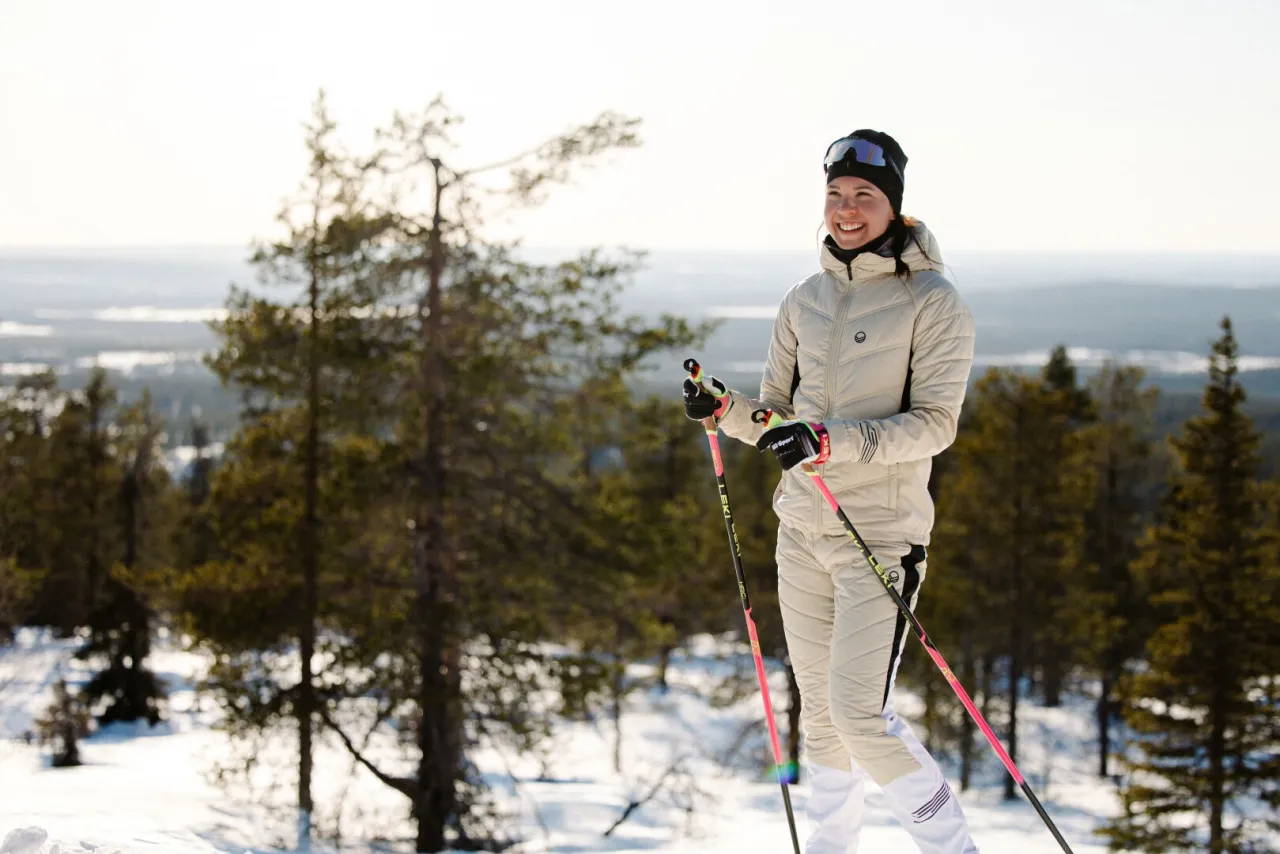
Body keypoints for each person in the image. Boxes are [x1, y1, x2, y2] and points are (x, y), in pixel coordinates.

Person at [683, 130, 979, 853]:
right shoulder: (804, 299)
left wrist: (830, 440)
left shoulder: (933, 303)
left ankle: (954, 847)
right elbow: (777, 417)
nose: (847, 210)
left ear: (895, 208)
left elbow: (935, 425)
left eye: (865, 196)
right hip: (803, 533)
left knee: (857, 712)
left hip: (880, 535)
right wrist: (724, 410)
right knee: (818, 713)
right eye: (836, 195)